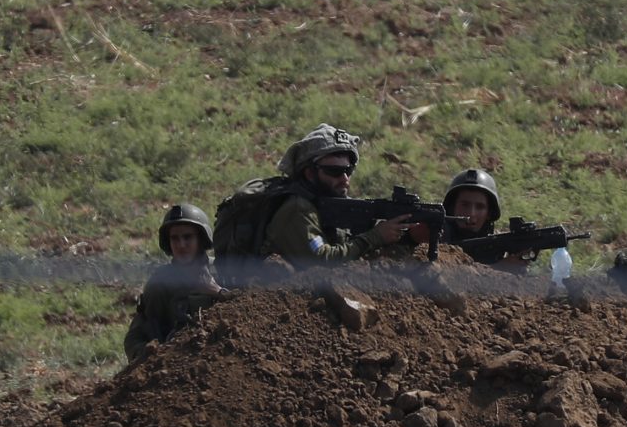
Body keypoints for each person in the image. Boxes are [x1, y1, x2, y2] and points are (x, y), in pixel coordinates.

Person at [214, 124, 416, 266]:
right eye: (334, 172)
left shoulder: (327, 203)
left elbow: (348, 242)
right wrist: (375, 237)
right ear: (310, 173)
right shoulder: (297, 208)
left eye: (348, 170)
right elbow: (322, 261)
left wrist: (408, 236)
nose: (345, 179)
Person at [125, 202, 223, 360]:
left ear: (201, 239)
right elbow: (135, 338)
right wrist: (152, 354)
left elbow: (247, 312)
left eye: (187, 237)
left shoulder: (221, 271)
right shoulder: (161, 282)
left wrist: (217, 292)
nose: (181, 245)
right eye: (175, 238)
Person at [438, 166, 539, 270]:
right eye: (465, 205)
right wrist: (499, 268)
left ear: (489, 213)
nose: (471, 213)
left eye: (480, 207)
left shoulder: (495, 245)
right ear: (452, 208)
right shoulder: (435, 238)